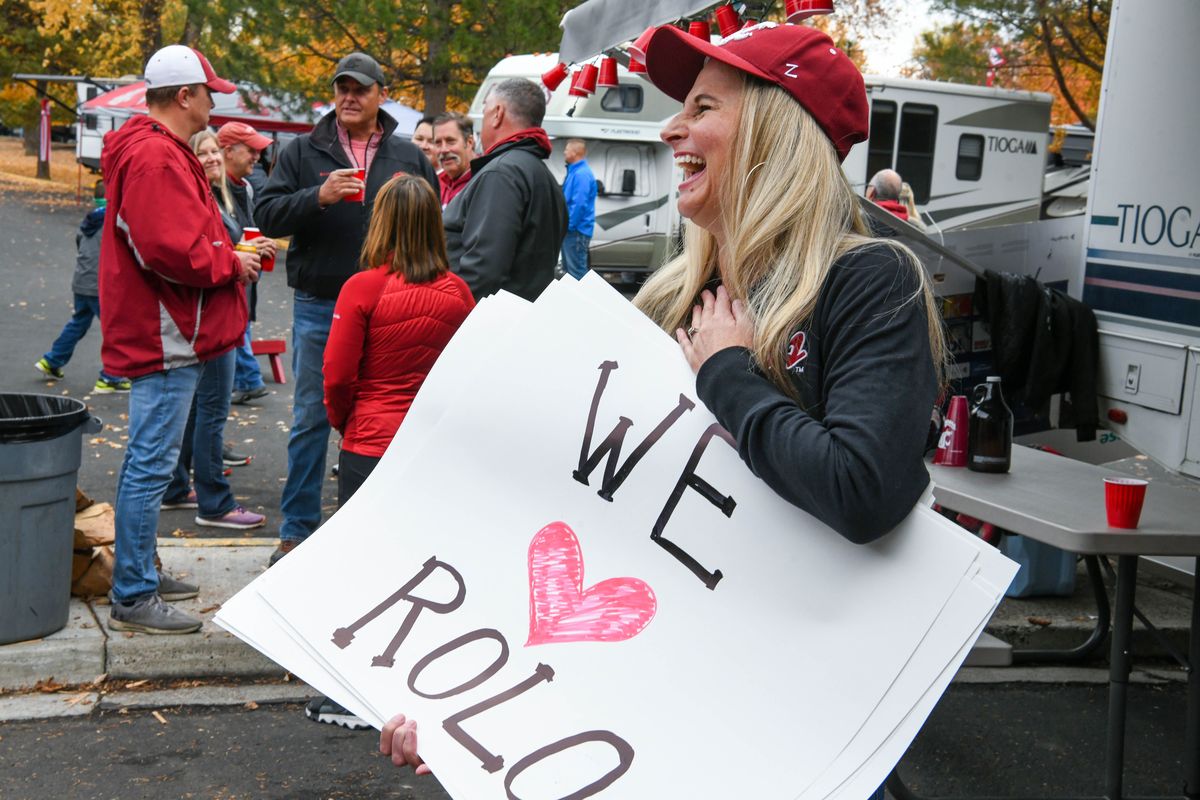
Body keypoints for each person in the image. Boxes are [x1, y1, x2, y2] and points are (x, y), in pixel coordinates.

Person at [380, 26, 946, 795]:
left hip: (788, 732)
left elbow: (862, 488)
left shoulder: (872, 279)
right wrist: (453, 709)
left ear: (776, 137)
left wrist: (727, 373)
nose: (670, 127)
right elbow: (590, 535)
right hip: (654, 715)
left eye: (703, 106)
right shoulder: (669, 299)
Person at [99, 45, 259, 634]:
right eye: (208, 91)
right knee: (150, 464)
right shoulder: (155, 157)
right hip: (167, 332)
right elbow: (167, 249)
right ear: (185, 95)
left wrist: (222, 256)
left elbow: (174, 239)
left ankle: (140, 571)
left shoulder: (155, 151)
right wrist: (229, 264)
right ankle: (135, 592)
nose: (213, 102)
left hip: (167, 329)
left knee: (150, 461)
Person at [255, 52, 438, 565]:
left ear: (381, 93)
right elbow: (267, 214)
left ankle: (379, 531)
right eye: (342, 88)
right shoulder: (302, 150)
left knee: (389, 414)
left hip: (393, 304)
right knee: (313, 416)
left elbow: (431, 221)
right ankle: (296, 533)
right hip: (321, 301)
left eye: (360, 89)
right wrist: (319, 195)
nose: (349, 97)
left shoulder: (406, 155)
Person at [307, 173, 474, 729]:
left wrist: (344, 421)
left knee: (361, 570)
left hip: (370, 444)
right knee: (418, 570)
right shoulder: (459, 294)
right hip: (427, 450)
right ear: (434, 223)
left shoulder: (364, 287)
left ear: (380, 221)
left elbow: (335, 374)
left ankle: (350, 695)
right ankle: (415, 689)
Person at [157, 130, 267, 532]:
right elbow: (205, 258)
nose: (211, 159)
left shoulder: (226, 197)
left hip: (223, 315)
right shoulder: (196, 202)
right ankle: (214, 502)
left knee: (195, 411)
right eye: (201, 153)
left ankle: (174, 487)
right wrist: (238, 257)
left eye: (214, 152)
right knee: (212, 413)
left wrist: (252, 249)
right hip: (213, 320)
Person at [442, 78, 567, 300]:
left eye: (485, 109)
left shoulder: (501, 174)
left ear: (498, 113)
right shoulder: (540, 173)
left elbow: (483, 270)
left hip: (487, 322)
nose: (482, 120)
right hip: (520, 316)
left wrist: (453, 317)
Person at [35, 179, 132, 394]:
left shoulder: (89, 220)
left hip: (81, 281)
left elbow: (80, 243)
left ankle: (52, 360)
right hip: (100, 284)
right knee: (115, 327)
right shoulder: (112, 219)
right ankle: (111, 376)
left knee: (78, 322)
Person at [217, 121, 277, 405]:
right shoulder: (211, 190)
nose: (256, 156)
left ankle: (247, 379)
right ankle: (249, 379)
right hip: (223, 283)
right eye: (251, 150)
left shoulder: (247, 188)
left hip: (243, 280)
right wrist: (244, 248)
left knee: (241, 327)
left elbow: (246, 230)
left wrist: (259, 245)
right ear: (228, 151)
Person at [560, 138, 597, 280]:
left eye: (567, 149)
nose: (564, 152)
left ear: (575, 153)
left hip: (575, 231)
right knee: (570, 272)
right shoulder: (576, 171)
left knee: (576, 273)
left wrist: (568, 226)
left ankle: (581, 301)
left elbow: (579, 204)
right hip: (574, 230)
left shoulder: (581, 174)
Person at [432, 111, 474, 207]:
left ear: (469, 142)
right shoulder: (437, 182)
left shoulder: (483, 181)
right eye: (438, 143)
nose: (444, 150)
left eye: (450, 141)